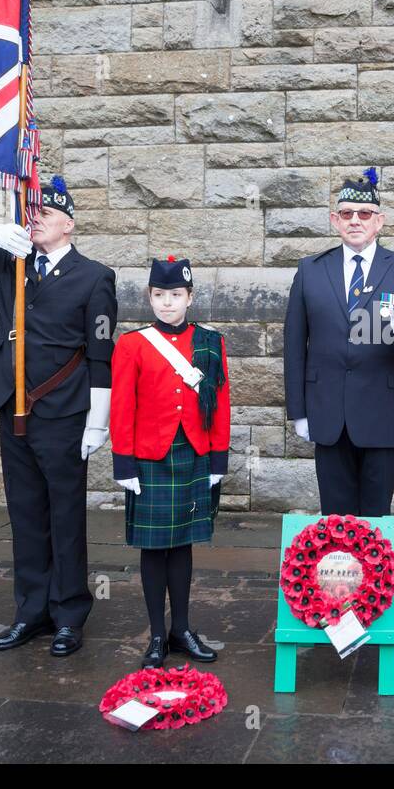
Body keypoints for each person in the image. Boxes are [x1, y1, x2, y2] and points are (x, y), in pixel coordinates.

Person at [0, 177, 117, 657]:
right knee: (24, 514)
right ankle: (30, 612)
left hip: (63, 410)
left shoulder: (94, 276)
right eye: (31, 211)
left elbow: (101, 353)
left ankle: (68, 614)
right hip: (11, 406)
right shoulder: (9, 259)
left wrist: (98, 421)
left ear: (69, 223)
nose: (35, 217)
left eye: (46, 212)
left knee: (64, 515)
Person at [282, 167, 394, 517]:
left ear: (379, 221)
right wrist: (299, 410)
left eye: (364, 214)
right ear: (334, 220)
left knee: (375, 519)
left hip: (382, 414)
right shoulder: (309, 270)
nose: (356, 220)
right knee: (335, 519)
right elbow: (294, 345)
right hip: (327, 414)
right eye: (347, 214)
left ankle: (377, 576)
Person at [110, 256, 230, 667]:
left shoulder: (211, 341)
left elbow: (221, 402)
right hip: (149, 458)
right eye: (159, 296)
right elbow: (122, 405)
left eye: (175, 295)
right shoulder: (132, 344)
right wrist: (123, 462)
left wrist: (218, 457)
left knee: (182, 546)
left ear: (190, 297)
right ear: (149, 297)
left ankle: (182, 628)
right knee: (152, 547)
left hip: (194, 452)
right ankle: (157, 636)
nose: (167, 303)